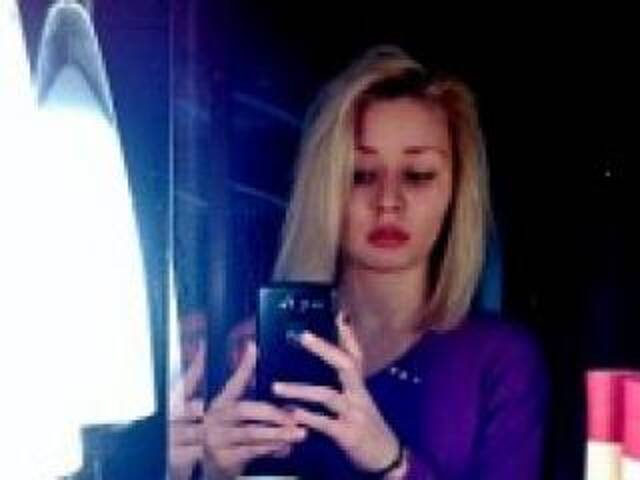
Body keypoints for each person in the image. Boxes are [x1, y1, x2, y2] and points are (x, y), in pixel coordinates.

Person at [170, 44, 548, 479]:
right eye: (361, 174)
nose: (388, 201)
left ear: (456, 192)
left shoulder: (500, 361)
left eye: (418, 175)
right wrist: (201, 473)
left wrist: (391, 461)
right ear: (325, 187)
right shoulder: (248, 351)